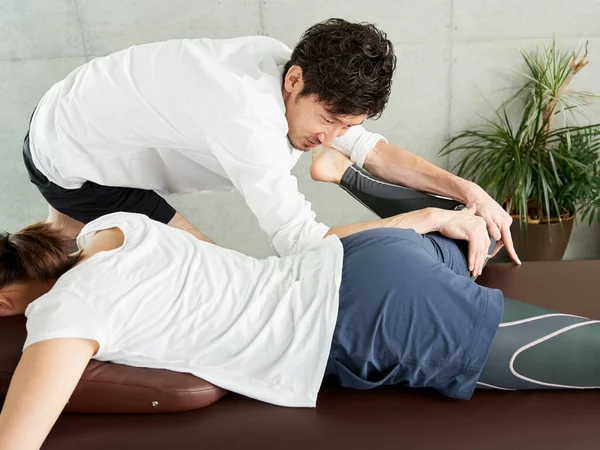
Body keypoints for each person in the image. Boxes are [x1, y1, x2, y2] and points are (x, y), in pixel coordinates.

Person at [0, 208, 597, 449]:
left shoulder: (64, 311)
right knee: (479, 241)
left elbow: (18, 438)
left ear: (7, 301)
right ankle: (435, 212)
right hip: (367, 253)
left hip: (371, 316)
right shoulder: (112, 229)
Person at [22, 17, 521, 271]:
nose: (330, 137)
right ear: (295, 81)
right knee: (210, 268)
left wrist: (467, 190)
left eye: (343, 127)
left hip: (75, 117)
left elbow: (372, 148)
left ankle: (23, 267)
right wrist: (433, 218)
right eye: (327, 122)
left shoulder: (284, 64)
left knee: (56, 249)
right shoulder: (246, 119)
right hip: (75, 160)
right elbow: (304, 245)